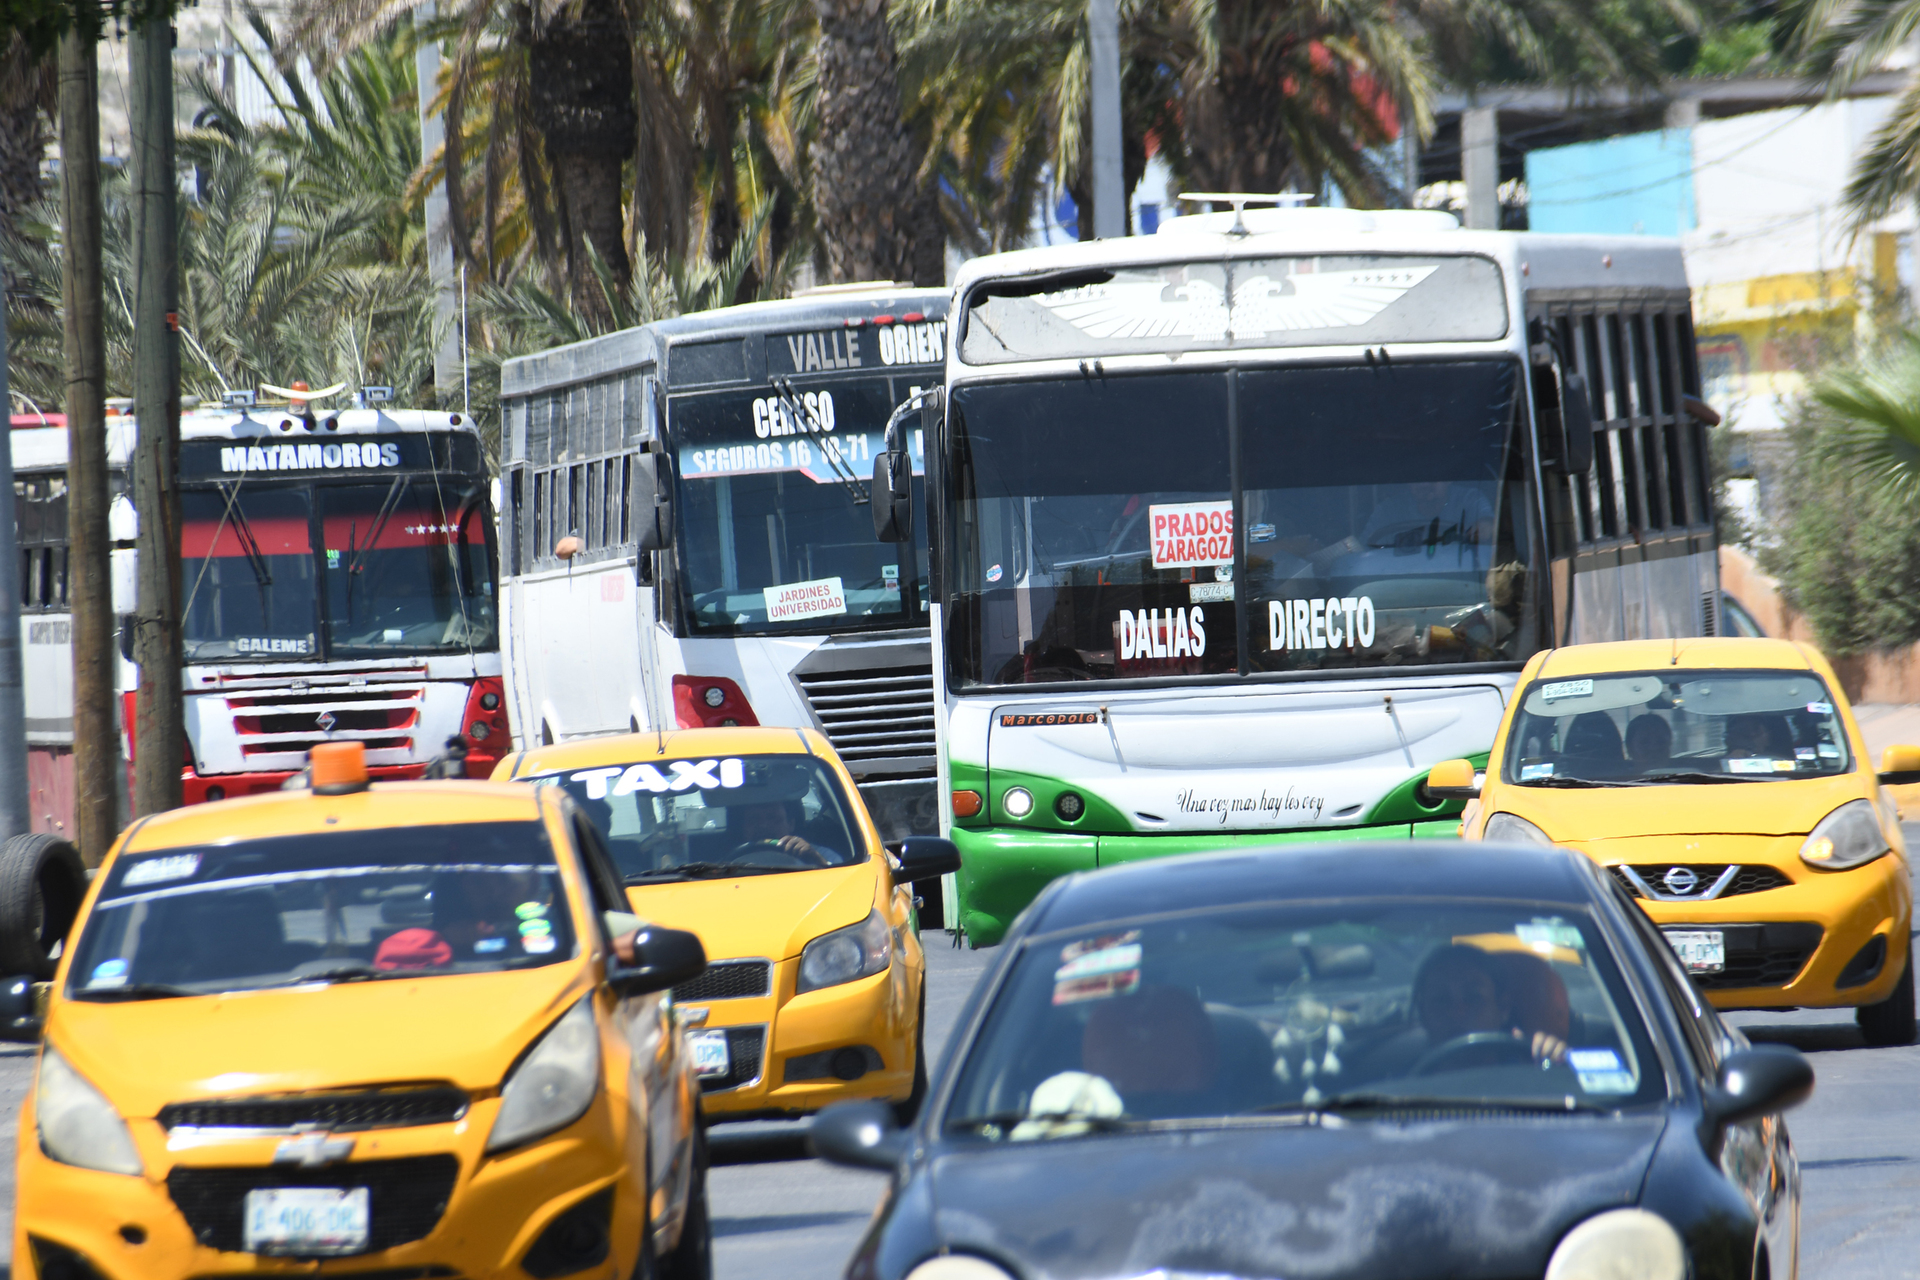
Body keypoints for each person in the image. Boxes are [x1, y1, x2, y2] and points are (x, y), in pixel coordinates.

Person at [1412, 944, 1566, 1063]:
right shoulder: (1398, 1089)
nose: (1458, 1012)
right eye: (1441, 1000)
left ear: (1503, 1008)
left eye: (1473, 998)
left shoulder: (1533, 1067)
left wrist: (1554, 1064)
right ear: (1423, 1015)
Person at [733, 801, 828, 861]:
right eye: (753, 819)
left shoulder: (816, 854)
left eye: (772, 818)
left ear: (791, 824)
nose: (763, 825)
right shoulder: (726, 864)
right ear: (744, 827)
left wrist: (816, 860)